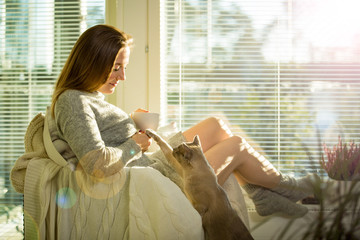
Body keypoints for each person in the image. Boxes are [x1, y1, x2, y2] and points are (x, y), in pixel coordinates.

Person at [51, 24, 314, 219]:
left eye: (124, 67)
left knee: (216, 124)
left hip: (156, 165)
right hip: (162, 182)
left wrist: (132, 122)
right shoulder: (73, 101)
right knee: (236, 145)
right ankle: (288, 187)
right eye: (116, 67)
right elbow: (96, 164)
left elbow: (104, 137)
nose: (122, 77)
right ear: (92, 61)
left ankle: (263, 195)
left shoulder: (86, 97)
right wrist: (135, 143)